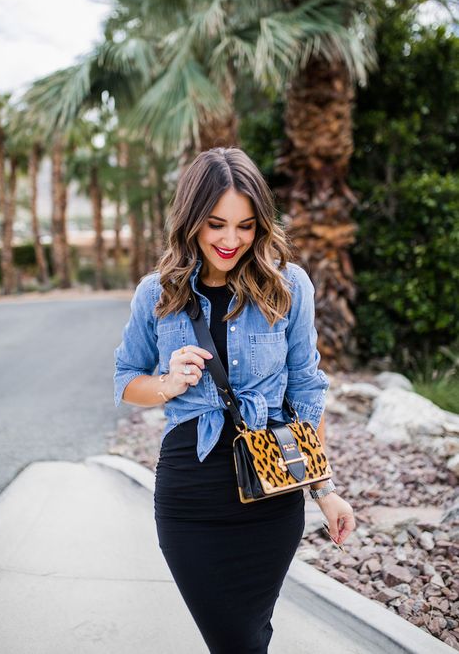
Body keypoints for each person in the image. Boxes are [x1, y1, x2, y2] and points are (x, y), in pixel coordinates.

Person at [113, 147, 356, 653]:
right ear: (191, 220)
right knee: (233, 638)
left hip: (272, 490)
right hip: (191, 493)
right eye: (216, 224)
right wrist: (168, 384)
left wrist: (324, 489)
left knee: (248, 635)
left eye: (245, 226)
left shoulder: (289, 287)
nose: (230, 240)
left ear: (261, 224)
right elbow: (125, 379)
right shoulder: (155, 294)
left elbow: (307, 391)